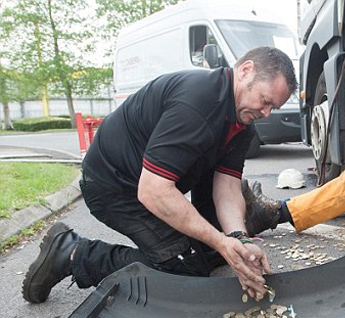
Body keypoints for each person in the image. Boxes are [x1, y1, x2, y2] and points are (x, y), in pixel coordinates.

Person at [23, 46, 298, 304]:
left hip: (156, 184)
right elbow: (153, 190)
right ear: (245, 70)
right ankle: (72, 253)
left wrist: (238, 239)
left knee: (220, 248)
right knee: (186, 271)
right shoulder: (198, 101)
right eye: (264, 101)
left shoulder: (241, 121)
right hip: (114, 185)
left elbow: (226, 186)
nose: (265, 113)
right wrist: (220, 241)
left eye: (273, 107)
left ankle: (206, 249)